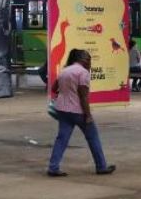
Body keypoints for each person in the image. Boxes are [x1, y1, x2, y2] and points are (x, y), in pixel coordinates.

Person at [47, 49, 115, 177]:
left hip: (63, 110)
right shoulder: (82, 73)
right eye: (88, 59)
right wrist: (88, 115)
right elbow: (83, 97)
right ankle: (101, 166)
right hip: (79, 112)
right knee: (93, 138)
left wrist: (66, 93)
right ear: (81, 59)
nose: (90, 62)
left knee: (61, 139)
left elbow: (54, 88)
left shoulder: (65, 71)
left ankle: (53, 167)